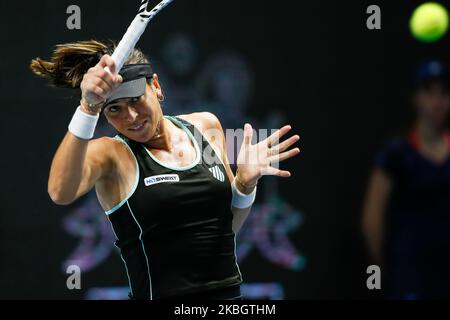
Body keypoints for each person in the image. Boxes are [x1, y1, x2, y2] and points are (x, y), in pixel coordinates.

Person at [30, 40, 300, 300]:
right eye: (114, 109)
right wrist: (88, 107)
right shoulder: (111, 154)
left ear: (156, 86)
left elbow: (225, 232)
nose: (131, 117)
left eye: (136, 100)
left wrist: (244, 185)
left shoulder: (206, 126)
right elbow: (60, 192)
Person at [362, 60, 450, 299]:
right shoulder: (396, 152)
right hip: (409, 275)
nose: (438, 101)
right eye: (429, 92)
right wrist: (386, 268)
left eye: (444, 93)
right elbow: (372, 217)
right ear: (416, 98)